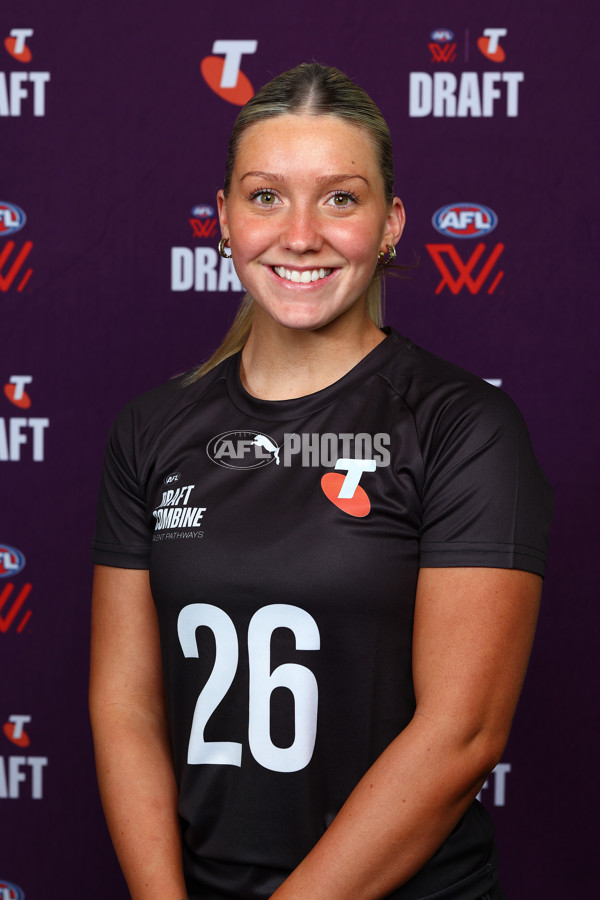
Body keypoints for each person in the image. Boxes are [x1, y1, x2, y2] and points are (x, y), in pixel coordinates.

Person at [89, 63, 552, 900]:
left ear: (391, 224)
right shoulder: (152, 430)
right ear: (222, 218)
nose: (299, 233)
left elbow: (463, 734)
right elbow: (126, 705)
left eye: (340, 198)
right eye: (265, 196)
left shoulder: (463, 427)